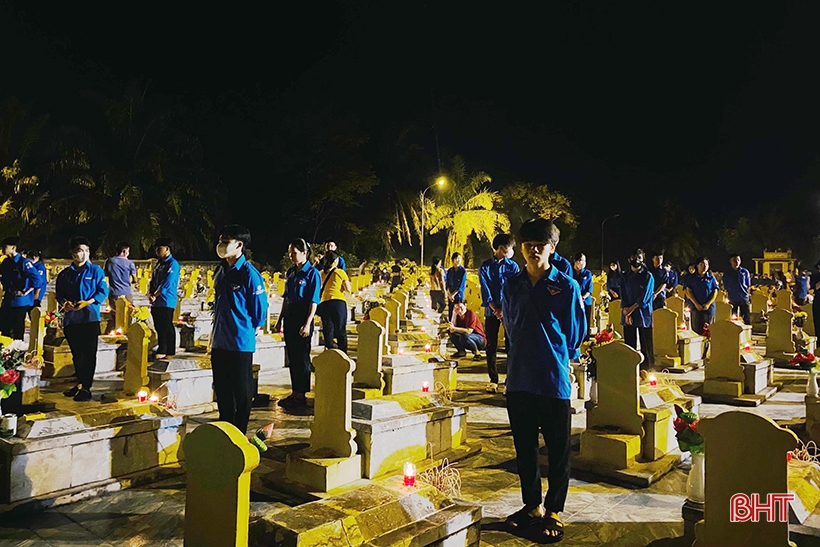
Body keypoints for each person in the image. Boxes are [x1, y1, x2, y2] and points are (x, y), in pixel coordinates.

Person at [502, 218, 584, 543]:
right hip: (519, 379)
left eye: (541, 244)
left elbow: (576, 333)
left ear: (553, 247)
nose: (534, 249)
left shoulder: (566, 286)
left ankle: (554, 510)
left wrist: (554, 351)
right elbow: (509, 326)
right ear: (521, 247)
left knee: (559, 450)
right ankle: (532, 506)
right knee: (524, 449)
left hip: (553, 380)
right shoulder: (511, 285)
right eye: (528, 244)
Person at [211, 225, 268, 434]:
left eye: (226, 241)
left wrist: (252, 327)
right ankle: (225, 429)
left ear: (239, 245)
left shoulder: (249, 274)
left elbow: (259, 308)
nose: (221, 245)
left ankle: (239, 432)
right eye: (221, 240)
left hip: (239, 341)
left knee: (241, 391)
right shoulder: (221, 269)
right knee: (222, 389)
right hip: (219, 340)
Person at [56, 237, 108, 402]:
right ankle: (79, 383)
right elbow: (59, 294)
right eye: (80, 250)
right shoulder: (64, 274)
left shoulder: (95, 271)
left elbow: (102, 291)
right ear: (72, 253)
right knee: (77, 354)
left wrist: (89, 301)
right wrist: (65, 303)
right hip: (71, 319)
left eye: (86, 251)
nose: (83, 254)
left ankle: (86, 387)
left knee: (89, 353)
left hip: (90, 317)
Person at [274, 238, 320, 409]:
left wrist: (308, 323)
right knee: (292, 355)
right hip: (290, 316)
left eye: (294, 253)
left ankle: (302, 393)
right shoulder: (291, 273)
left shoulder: (312, 273)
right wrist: (280, 319)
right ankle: (295, 390)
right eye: (289, 253)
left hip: (303, 315)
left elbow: (313, 301)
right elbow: (286, 298)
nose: (291, 256)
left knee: (302, 356)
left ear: (304, 253)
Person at [478, 234, 520, 392]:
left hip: (508, 311)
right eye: (508, 248)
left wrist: (504, 309)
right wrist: (495, 309)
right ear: (500, 248)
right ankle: (493, 379)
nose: (510, 251)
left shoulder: (513, 267)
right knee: (491, 345)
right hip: (491, 310)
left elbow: (514, 289)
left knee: (511, 345)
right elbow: (485, 288)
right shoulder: (485, 267)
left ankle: (510, 380)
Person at [621, 248, 655, 369]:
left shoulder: (647, 276)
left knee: (646, 343)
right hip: (627, 313)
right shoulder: (625, 276)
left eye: (639, 258)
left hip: (642, 313)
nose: (636, 260)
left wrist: (632, 309)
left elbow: (645, 296)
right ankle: (630, 368)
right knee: (629, 343)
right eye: (633, 258)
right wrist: (626, 311)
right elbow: (623, 293)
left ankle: (647, 369)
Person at [0, 237, 39, 340]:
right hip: (8, 299)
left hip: (20, 301)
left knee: (17, 330)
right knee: (3, 328)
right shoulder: (6, 262)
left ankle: (17, 353)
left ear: (13, 248)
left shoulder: (24, 262)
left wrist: (27, 291)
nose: (3, 249)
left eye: (5, 247)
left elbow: (37, 279)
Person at [148, 238, 180, 359]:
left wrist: (156, 294)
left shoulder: (173, 264)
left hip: (166, 299)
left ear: (167, 249)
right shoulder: (159, 263)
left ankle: (170, 351)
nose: (157, 251)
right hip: (156, 301)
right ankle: (162, 348)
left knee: (167, 325)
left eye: (159, 248)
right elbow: (154, 279)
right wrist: (150, 293)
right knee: (158, 325)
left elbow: (168, 282)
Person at [318, 250, 351, 353]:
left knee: (328, 329)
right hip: (338, 302)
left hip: (324, 302)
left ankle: (330, 351)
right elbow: (348, 289)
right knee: (340, 329)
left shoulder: (320, 274)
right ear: (336, 261)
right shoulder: (340, 272)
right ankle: (342, 354)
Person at [684, 257, 719, 335]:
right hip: (696, 308)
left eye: (706, 264)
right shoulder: (692, 278)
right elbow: (689, 292)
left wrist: (708, 304)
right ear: (697, 266)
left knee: (709, 330)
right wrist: (696, 304)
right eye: (701, 264)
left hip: (709, 308)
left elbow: (715, 291)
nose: (704, 266)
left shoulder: (711, 278)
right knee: (696, 331)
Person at [104, 241, 137, 309]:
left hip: (114, 292)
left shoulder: (110, 261)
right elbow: (134, 279)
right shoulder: (130, 263)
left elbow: (105, 273)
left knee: (114, 314)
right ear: (124, 251)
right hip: (126, 292)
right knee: (128, 314)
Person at [723, 253, 751, 324]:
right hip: (733, 298)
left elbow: (747, 284)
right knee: (732, 317)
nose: (737, 262)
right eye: (734, 260)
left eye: (738, 260)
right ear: (731, 262)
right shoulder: (727, 273)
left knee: (746, 317)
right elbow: (726, 284)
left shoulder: (744, 272)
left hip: (743, 297)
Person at [572, 252, 593, 341]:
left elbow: (589, 290)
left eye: (584, 261)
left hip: (585, 302)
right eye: (581, 260)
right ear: (575, 261)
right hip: (572, 302)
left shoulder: (587, 273)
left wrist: (582, 298)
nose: (583, 263)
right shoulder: (570, 271)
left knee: (585, 323)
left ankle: (586, 342)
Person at [445, 252, 467, 319]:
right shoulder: (450, 271)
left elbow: (461, 285)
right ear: (453, 260)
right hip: (451, 296)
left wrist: (453, 294)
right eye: (456, 258)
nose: (458, 260)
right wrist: (449, 294)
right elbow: (447, 283)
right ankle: (451, 327)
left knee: (459, 312)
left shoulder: (463, 271)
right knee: (451, 313)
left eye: (459, 258)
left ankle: (458, 328)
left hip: (458, 296)